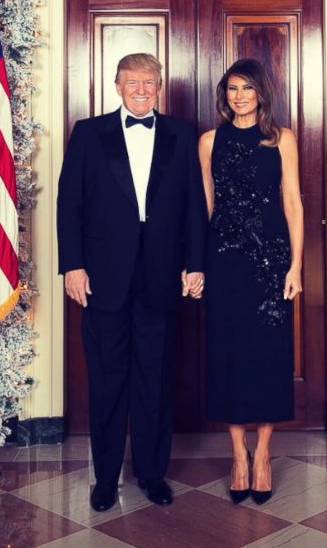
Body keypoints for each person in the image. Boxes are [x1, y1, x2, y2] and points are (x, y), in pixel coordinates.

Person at [57, 53, 207, 512]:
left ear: (160, 86)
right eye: (132, 82)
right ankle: (105, 479)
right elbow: (69, 205)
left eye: (149, 82)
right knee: (106, 379)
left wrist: (195, 263)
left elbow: (194, 208)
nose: (141, 90)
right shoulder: (88, 133)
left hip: (161, 276)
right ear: (117, 86)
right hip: (102, 277)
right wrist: (73, 266)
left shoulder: (182, 135)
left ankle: (151, 473)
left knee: (154, 379)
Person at [199, 57, 304, 505]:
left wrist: (296, 266)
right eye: (232, 89)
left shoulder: (281, 140)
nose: (239, 96)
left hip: (270, 265)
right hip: (224, 262)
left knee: (267, 357)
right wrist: (198, 265)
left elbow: (293, 205)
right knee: (229, 357)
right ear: (225, 94)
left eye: (247, 88)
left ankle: (262, 454)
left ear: (262, 92)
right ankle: (236, 456)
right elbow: (204, 208)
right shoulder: (208, 141)